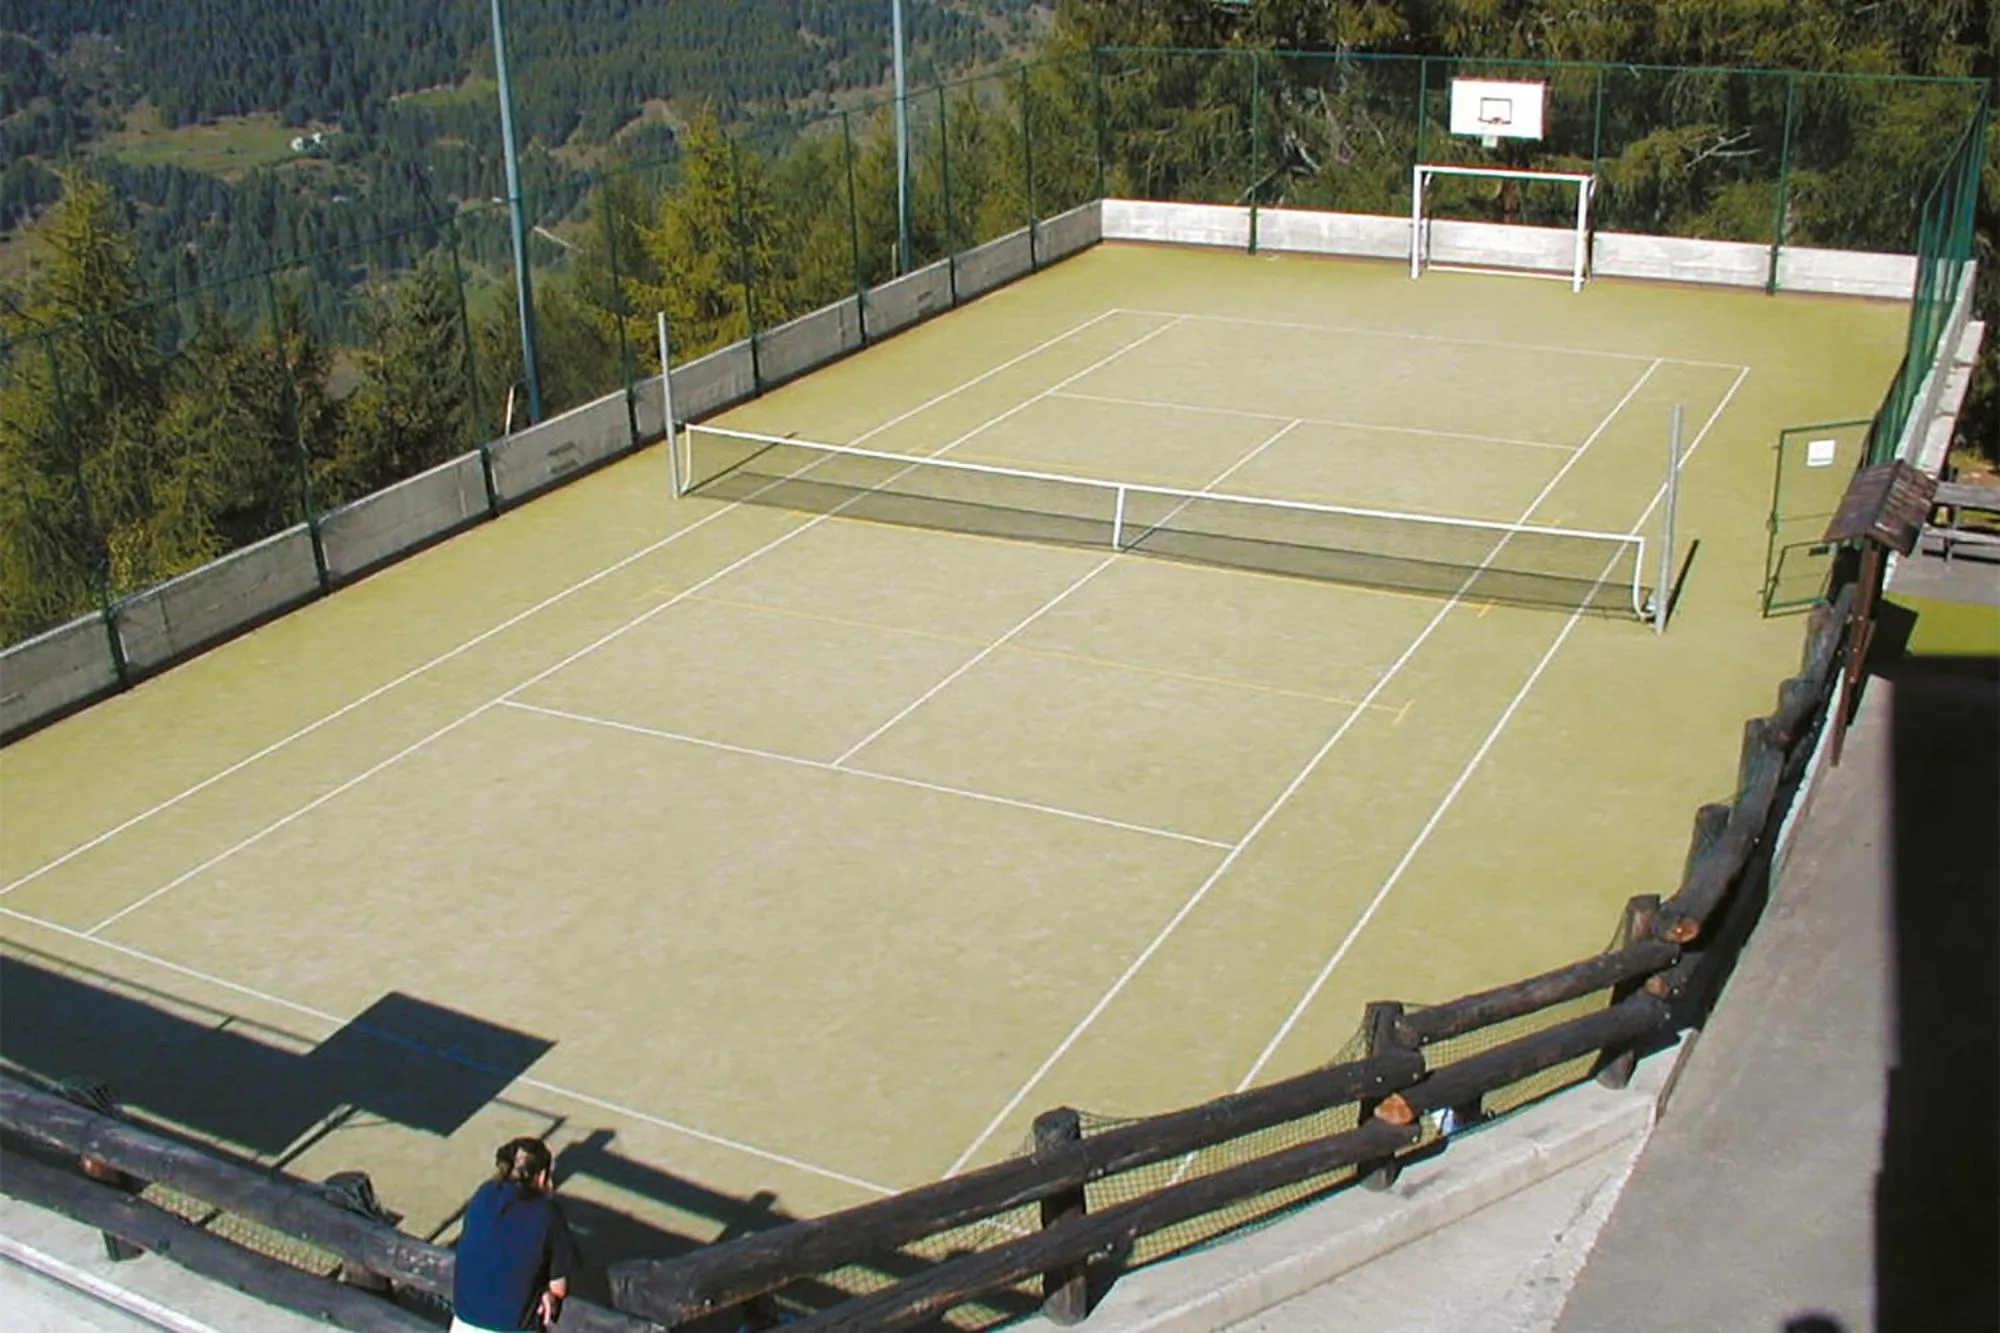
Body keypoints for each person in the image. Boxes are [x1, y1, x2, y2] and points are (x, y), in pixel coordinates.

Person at [450, 1137, 576, 1332]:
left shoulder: (483, 1194)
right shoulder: (548, 1213)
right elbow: (558, 1288)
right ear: (542, 1177)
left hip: (462, 1324)